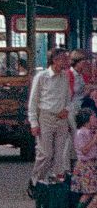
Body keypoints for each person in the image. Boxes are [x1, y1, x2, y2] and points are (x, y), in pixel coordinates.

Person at [27, 47, 72, 196]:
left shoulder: (65, 77)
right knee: (45, 153)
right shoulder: (41, 77)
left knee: (60, 154)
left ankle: (54, 184)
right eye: (63, 59)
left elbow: (68, 96)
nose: (66, 62)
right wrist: (33, 122)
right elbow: (33, 101)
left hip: (61, 119)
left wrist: (67, 108)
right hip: (45, 117)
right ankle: (35, 181)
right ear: (55, 60)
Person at [71, 107, 97, 208]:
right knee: (88, 192)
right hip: (86, 165)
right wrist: (94, 140)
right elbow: (84, 150)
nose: (95, 120)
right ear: (86, 119)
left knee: (91, 192)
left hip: (92, 164)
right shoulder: (81, 133)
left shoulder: (90, 132)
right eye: (93, 118)